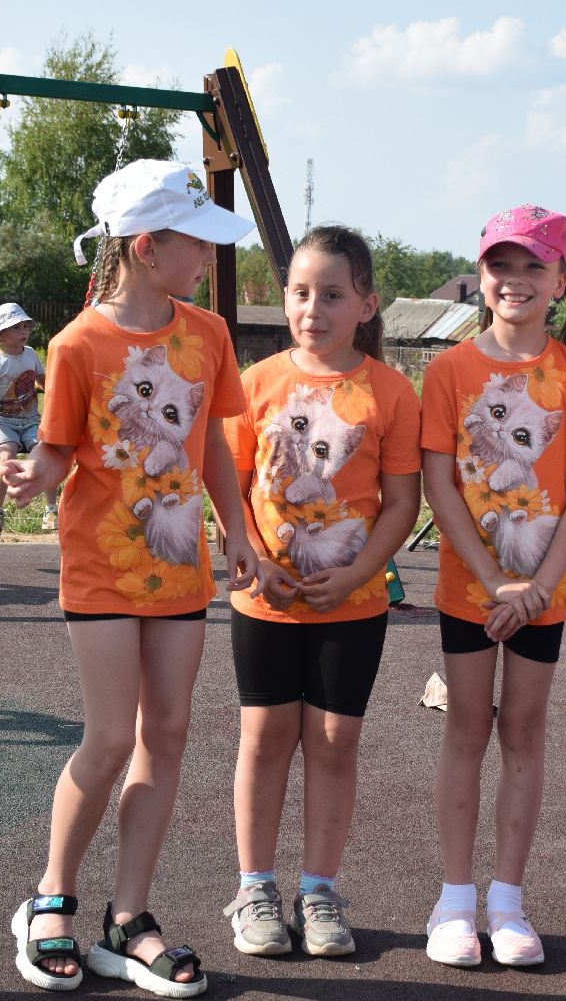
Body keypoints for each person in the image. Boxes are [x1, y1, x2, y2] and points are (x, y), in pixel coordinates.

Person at [0, 159, 259, 997]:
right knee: (111, 737)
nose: (207, 260)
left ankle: (130, 917)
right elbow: (58, 448)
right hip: (102, 568)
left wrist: (237, 528)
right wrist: (31, 475)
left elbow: (212, 444)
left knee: (169, 733)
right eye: (196, 246)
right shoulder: (78, 342)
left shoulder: (208, 332)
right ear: (147, 248)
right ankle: (50, 901)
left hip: (180, 566)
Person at [420, 205, 566, 968]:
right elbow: (440, 483)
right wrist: (495, 580)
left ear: (561, 282)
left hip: (545, 593)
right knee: (466, 732)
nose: (516, 279)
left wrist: (536, 584)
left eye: (534, 266)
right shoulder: (447, 370)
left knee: (524, 735)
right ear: (481, 276)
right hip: (470, 590)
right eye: (502, 264)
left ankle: (508, 899)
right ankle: (455, 899)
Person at [221, 224, 422, 960]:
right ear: (285, 301)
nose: (315, 309)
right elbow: (232, 485)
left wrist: (362, 573)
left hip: (353, 603)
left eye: (333, 294)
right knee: (266, 738)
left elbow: (401, 502)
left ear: (366, 304)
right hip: (265, 600)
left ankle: (319, 890)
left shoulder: (392, 392)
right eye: (301, 293)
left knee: (334, 743)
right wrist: (247, 552)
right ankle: (254, 888)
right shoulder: (256, 383)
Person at [0, 302, 58, 536]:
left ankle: (50, 510)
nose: (25, 331)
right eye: (17, 327)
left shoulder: (31, 354)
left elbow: (43, 382)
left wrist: (56, 387)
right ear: (1, 334)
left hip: (30, 420)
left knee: (47, 452)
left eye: (26, 326)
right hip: (2, 420)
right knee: (7, 453)